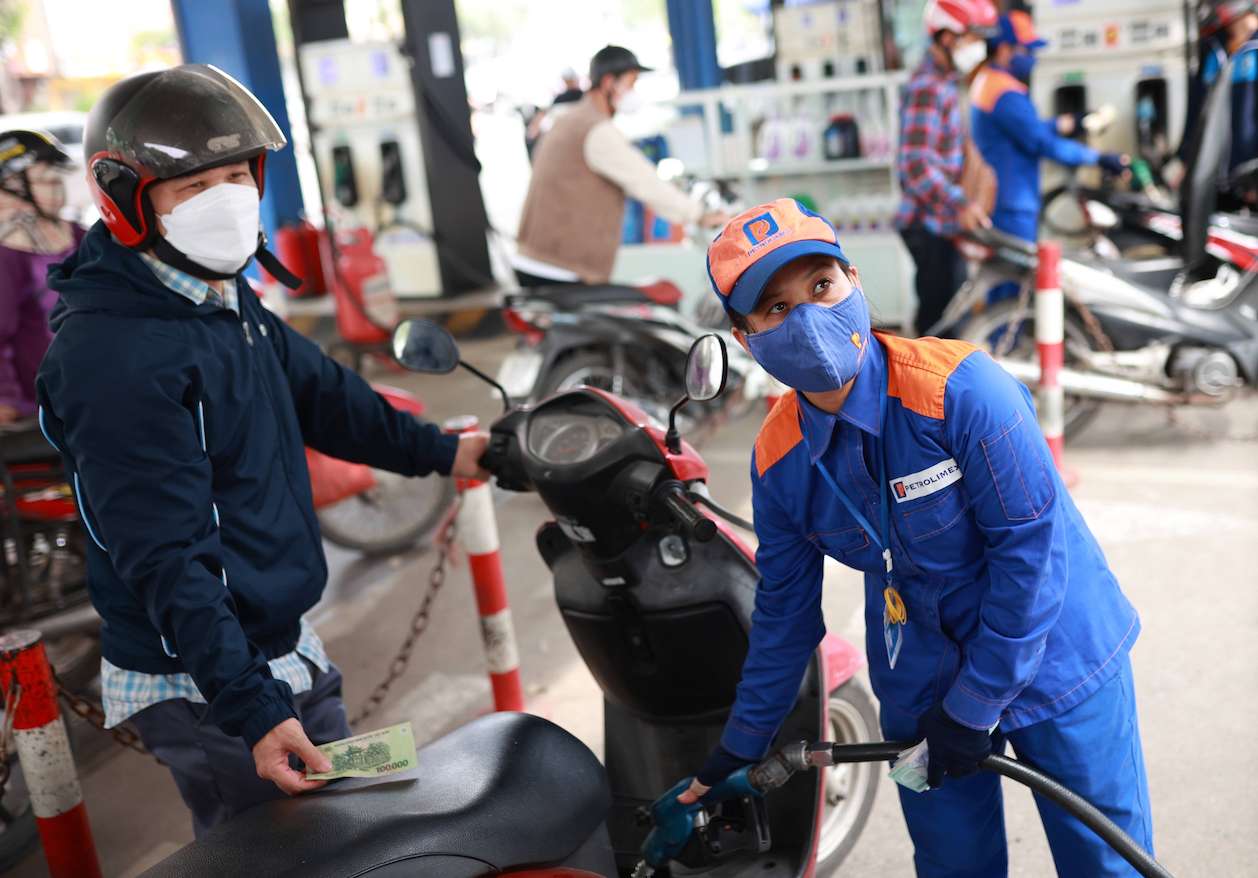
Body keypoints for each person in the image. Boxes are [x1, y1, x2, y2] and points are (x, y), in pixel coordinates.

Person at [35, 64, 490, 837]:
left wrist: (444, 452)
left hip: (277, 644)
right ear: (126, 199)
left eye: (238, 174)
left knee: (346, 838)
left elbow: (326, 397)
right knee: (293, 853)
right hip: (207, 679)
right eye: (193, 185)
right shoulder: (113, 357)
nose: (227, 198)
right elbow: (165, 555)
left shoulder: (218, 296)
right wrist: (250, 707)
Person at [677, 197, 1154, 876]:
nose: (808, 317)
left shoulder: (964, 390)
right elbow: (784, 614)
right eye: (777, 308)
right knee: (952, 867)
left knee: (1105, 863)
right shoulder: (779, 460)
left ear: (853, 282)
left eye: (821, 286)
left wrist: (976, 705)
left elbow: (1030, 556)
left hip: (1057, 651)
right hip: (921, 674)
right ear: (746, 337)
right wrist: (742, 744)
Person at [514, 45, 728, 288]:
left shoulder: (570, 119)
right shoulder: (595, 130)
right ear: (609, 82)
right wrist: (699, 215)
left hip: (536, 258)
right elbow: (645, 182)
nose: (634, 92)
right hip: (558, 268)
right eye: (631, 83)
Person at [969, 12, 1129, 243]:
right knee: (1016, 264)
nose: (1032, 58)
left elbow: (1022, 130)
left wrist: (1070, 122)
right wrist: (1099, 158)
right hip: (1011, 205)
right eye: (1026, 50)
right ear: (1004, 50)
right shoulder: (1006, 95)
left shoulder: (988, 81)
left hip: (1003, 199)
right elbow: (1042, 143)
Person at [895, 0, 997, 338]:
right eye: (972, 38)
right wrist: (961, 202)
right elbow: (916, 165)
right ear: (947, 37)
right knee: (940, 329)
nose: (977, 47)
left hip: (941, 222)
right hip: (928, 225)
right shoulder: (928, 87)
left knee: (948, 319)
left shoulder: (946, 81)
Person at [0, 129, 83, 424]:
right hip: (39, 411)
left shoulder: (80, 236)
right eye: (47, 181)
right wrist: (6, 399)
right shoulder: (8, 251)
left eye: (58, 179)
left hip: (95, 391)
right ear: (12, 185)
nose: (58, 190)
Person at [1175, 1, 1258, 177]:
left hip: (1250, 173)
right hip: (1215, 177)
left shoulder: (1254, 48)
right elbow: (1196, 111)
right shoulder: (1212, 49)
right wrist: (1184, 159)